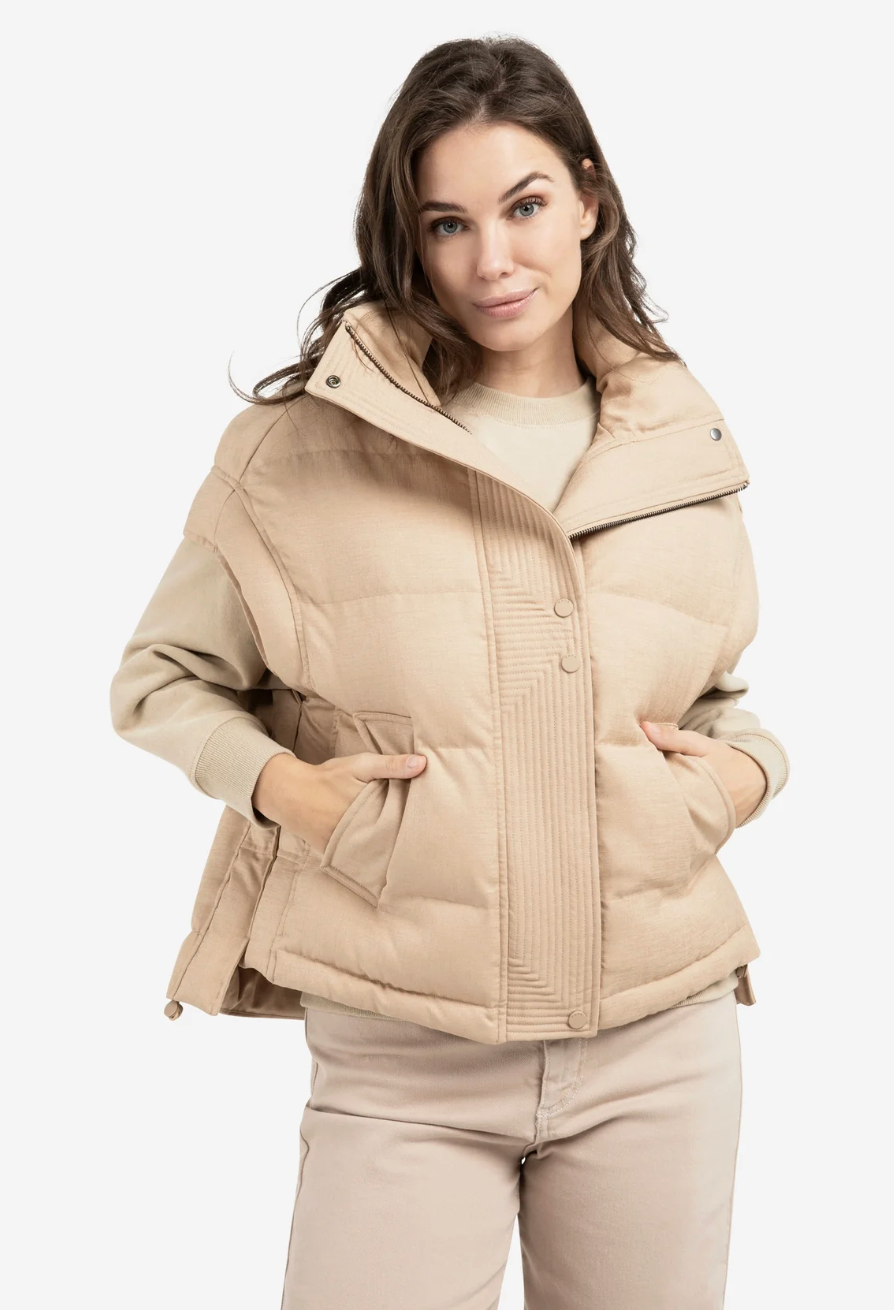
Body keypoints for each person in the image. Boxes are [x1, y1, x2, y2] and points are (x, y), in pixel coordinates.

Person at [109, 34, 790, 1310]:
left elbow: (705, 694)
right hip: (403, 1044)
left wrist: (747, 772)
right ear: (407, 239)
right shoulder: (302, 449)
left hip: (661, 1034)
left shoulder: (678, 440)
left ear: (589, 199)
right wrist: (290, 791)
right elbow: (161, 678)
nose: (492, 261)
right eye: (447, 224)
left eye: (524, 206)